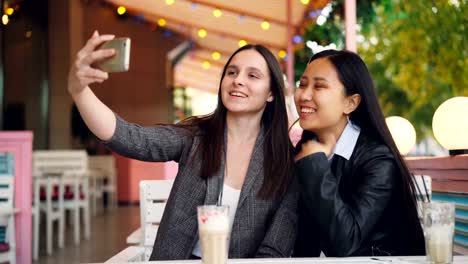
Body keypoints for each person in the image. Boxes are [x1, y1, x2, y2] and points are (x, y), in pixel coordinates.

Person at [68, 31, 298, 260]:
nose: (238, 80)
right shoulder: (196, 137)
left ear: (271, 93)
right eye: (232, 72)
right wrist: (79, 90)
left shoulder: (284, 161)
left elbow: (274, 248)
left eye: (253, 76)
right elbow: (131, 138)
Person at [292, 49, 425, 257]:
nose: (303, 95)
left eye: (319, 86)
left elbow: (345, 242)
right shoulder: (306, 150)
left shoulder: (378, 159)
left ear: (350, 103)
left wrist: (315, 167)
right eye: (302, 84)